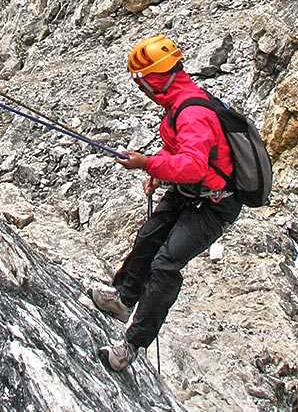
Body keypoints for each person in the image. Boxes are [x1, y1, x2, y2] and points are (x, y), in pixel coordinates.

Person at [92, 34, 243, 372]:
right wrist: (161, 169)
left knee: (165, 264)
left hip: (215, 205)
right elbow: (182, 153)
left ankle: (131, 346)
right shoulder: (182, 100)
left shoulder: (191, 112)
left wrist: (148, 164)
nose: (141, 88)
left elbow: (193, 166)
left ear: (154, 79)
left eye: (142, 81)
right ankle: (123, 299)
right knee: (149, 237)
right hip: (191, 192)